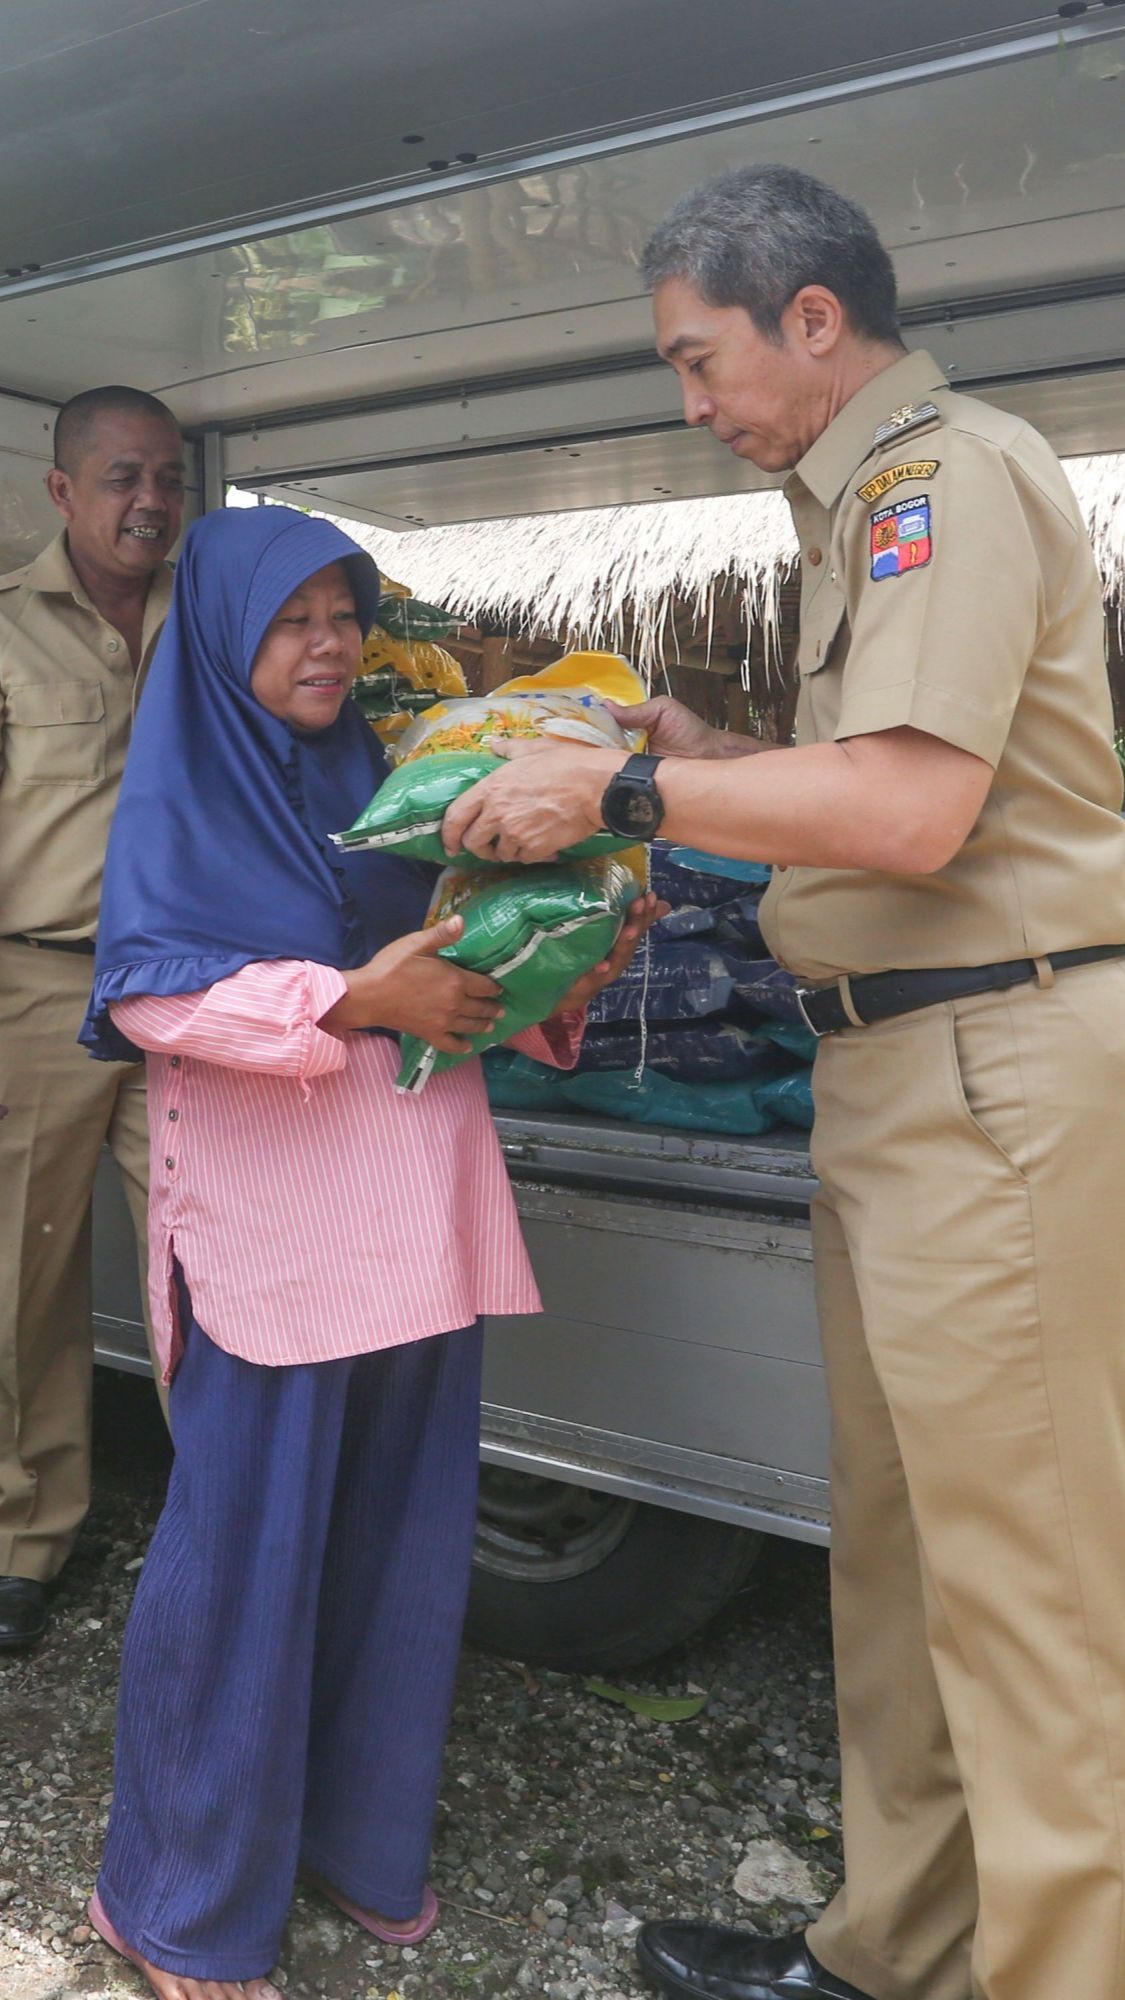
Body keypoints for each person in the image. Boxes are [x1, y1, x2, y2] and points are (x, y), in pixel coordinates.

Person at [440, 164, 1125, 2000]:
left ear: (810, 320)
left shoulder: (939, 480)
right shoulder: (855, 511)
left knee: (1042, 1608)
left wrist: (623, 794)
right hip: (907, 1081)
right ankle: (891, 1950)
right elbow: (871, 784)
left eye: (698, 358)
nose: (690, 403)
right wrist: (715, 748)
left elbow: (909, 812)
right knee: (901, 1576)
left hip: (993, 1066)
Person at [78, 503, 658, 2000]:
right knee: (241, 1569)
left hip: (414, 1213)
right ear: (222, 639)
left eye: (345, 613)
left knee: (396, 1552)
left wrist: (567, 958)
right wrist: (348, 1002)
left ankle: (349, 1839)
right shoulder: (183, 794)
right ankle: (176, 1906)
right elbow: (151, 1000)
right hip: (276, 1236)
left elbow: (467, 977)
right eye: (293, 621)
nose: (329, 643)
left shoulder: (398, 780)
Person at [0, 385, 184, 1651]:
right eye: (122, 478)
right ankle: (24, 1536)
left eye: (168, 478)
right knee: (25, 1273)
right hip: (40, 984)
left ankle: (228, 1533)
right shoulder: (5, 632)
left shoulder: (217, 622)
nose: (150, 502)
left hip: (188, 992)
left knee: (208, 1268)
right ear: (64, 491)